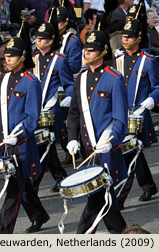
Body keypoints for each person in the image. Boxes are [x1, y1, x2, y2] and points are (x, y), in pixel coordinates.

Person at [0, 29, 49, 233]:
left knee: (13, 190)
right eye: (6, 54)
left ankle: (2, 233)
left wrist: (17, 135)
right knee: (22, 185)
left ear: (23, 57)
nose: (7, 58)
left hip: (21, 145)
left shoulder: (31, 82)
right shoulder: (4, 80)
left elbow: (31, 118)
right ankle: (39, 214)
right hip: (5, 144)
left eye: (12, 55)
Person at [67, 30, 128, 233]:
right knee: (100, 198)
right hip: (87, 149)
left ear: (102, 52)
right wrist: (71, 139)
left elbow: (120, 119)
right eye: (86, 49)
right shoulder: (81, 79)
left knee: (99, 197)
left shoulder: (114, 78)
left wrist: (111, 141)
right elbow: (75, 114)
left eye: (92, 50)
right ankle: (123, 234)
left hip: (106, 150)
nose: (87, 53)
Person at [113, 19, 158, 207]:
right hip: (121, 114)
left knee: (128, 153)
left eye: (129, 36)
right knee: (134, 153)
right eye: (124, 36)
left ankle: (119, 199)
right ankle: (148, 185)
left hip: (138, 114)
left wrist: (152, 98)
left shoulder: (148, 61)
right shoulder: (119, 59)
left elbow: (157, 86)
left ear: (139, 38)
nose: (125, 39)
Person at [32, 22, 74, 193]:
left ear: (51, 40)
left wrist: (70, 96)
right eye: (37, 38)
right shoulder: (32, 58)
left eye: (42, 38)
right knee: (44, 145)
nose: (38, 41)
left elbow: (68, 83)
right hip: (35, 107)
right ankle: (60, 176)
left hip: (50, 107)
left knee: (44, 144)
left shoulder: (60, 60)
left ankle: (33, 184)